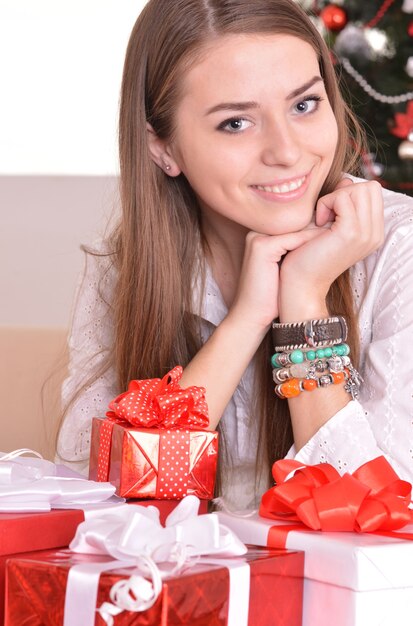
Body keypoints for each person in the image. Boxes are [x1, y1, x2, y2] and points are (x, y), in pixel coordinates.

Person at [56, 0, 413, 510]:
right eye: (236, 124)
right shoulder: (124, 272)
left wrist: (305, 299)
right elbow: (98, 501)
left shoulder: (401, 248)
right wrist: (245, 321)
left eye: (304, 105)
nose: (287, 152)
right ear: (163, 148)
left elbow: (378, 517)